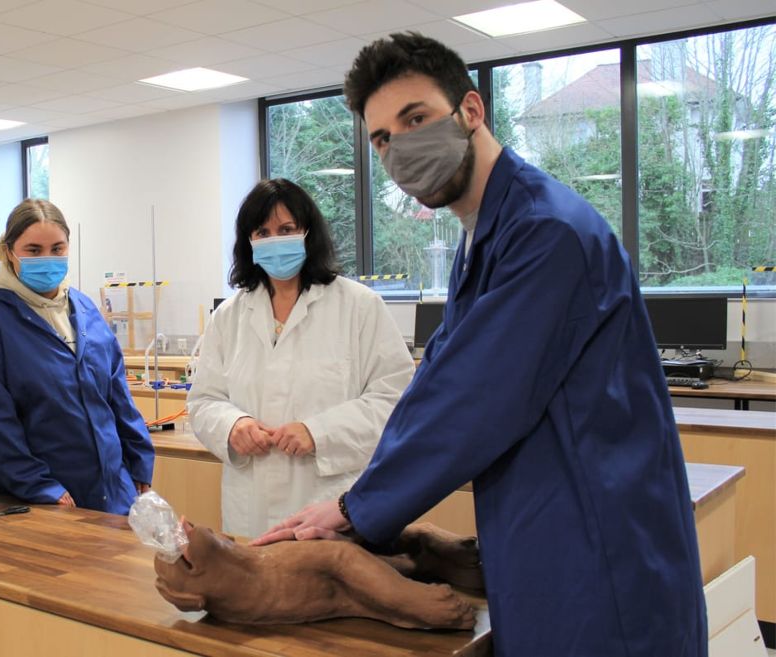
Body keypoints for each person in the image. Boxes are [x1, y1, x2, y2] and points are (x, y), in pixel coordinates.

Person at [254, 33, 706, 656]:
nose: (401, 149)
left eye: (415, 119)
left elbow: (474, 399)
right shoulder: (487, 234)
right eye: (382, 139)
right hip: (544, 532)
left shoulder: (546, 233)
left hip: (599, 545)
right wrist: (362, 500)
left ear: (471, 111)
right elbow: (439, 374)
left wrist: (360, 509)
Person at [188, 179, 414, 538]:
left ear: (308, 232)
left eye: (286, 229)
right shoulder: (229, 317)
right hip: (251, 503)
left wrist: (319, 432)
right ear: (249, 242)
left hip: (327, 499)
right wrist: (233, 426)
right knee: (256, 590)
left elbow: (396, 400)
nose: (274, 240)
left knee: (329, 589)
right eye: (262, 231)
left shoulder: (359, 306)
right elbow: (203, 400)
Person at [0, 199, 154, 515]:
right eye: (33, 250)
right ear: (8, 251)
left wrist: (139, 458)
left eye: (57, 249)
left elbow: (117, 395)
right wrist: (38, 486)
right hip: (37, 499)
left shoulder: (84, 309)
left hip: (111, 490)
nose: (47, 259)